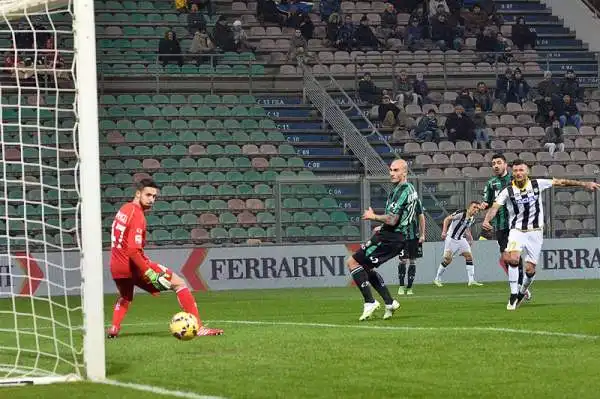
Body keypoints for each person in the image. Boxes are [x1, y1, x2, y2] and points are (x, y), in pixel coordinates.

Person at [107, 179, 223, 337]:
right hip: (134, 265)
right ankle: (199, 327)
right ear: (138, 193)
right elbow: (133, 251)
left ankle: (114, 328)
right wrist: (149, 272)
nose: (151, 199)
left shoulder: (124, 209)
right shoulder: (138, 215)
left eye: (154, 196)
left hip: (116, 265)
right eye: (148, 195)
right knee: (180, 283)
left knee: (126, 296)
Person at [482, 159, 600, 310]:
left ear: (527, 172)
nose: (518, 173)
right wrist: (487, 219)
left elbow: (562, 182)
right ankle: (512, 295)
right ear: (513, 173)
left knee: (530, 269)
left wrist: (585, 184)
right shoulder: (507, 190)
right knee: (512, 258)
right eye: (516, 170)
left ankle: (521, 293)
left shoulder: (537, 184)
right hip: (516, 230)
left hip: (536, 233)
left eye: (521, 170)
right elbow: (495, 207)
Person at [347, 159, 419, 321]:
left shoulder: (403, 191)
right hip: (392, 235)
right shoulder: (407, 190)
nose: (391, 173)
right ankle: (389, 302)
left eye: (395, 170)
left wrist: (374, 217)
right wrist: (383, 226)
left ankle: (370, 302)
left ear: (404, 172)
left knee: (352, 262)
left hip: (390, 237)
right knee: (365, 268)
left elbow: (393, 220)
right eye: (390, 170)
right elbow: (405, 217)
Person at [480, 154, 528, 299]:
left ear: (505, 165)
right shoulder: (491, 183)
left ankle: (520, 288)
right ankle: (521, 285)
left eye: (498, 163)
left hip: (515, 224)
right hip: (499, 225)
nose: (496, 165)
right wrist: (484, 206)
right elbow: (487, 202)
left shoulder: (515, 179)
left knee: (514, 256)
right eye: (493, 163)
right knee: (506, 258)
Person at [433, 201, 484, 287]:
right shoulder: (461, 213)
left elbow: (466, 228)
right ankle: (437, 278)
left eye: (478, 209)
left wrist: (470, 238)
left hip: (461, 239)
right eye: (474, 207)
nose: (476, 210)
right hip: (451, 239)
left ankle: (471, 280)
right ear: (469, 207)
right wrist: (444, 232)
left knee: (469, 256)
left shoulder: (472, 219)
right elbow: (447, 219)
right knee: (447, 259)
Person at [397, 196, 425, 295]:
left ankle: (409, 287)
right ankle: (401, 286)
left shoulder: (416, 201)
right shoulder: (398, 201)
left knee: (412, 261)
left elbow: (421, 217)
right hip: (402, 237)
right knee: (403, 260)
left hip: (414, 237)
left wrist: (422, 234)